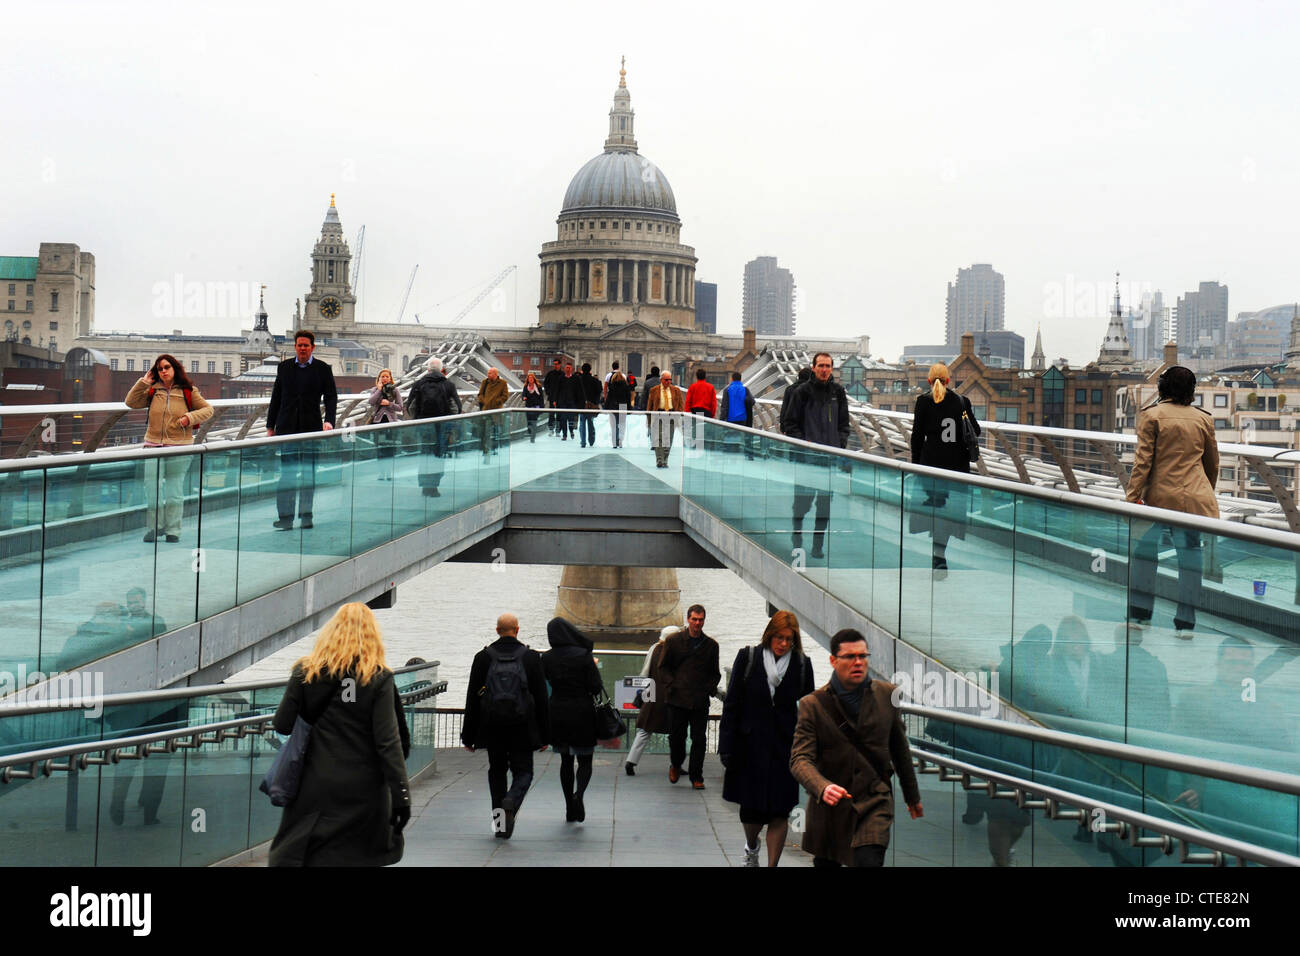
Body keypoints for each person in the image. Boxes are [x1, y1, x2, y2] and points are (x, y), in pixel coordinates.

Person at [267, 602, 411, 866]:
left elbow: (282, 724)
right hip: (364, 788)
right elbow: (388, 742)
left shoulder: (305, 672)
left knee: (312, 852)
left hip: (314, 783)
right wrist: (401, 796)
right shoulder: (378, 677)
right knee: (358, 855)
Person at [790, 628, 923, 867]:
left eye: (863, 656)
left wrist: (912, 795)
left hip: (874, 801)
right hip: (830, 807)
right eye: (850, 657)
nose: (858, 662)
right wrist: (822, 787)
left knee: (868, 860)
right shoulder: (812, 705)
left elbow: (900, 749)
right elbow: (799, 759)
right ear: (833, 660)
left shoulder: (887, 695)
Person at [1126, 365, 1219, 635]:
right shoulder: (1204, 419)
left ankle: (1140, 617)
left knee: (1145, 556)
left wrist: (1131, 500)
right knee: (1190, 562)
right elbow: (1212, 465)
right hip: (1196, 499)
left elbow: (1143, 463)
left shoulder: (1152, 416)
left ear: (1161, 388)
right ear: (1192, 391)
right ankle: (1186, 623)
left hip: (1159, 499)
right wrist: (1204, 492)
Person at [719, 610, 815, 867]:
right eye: (779, 638)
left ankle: (771, 865)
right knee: (750, 813)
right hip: (749, 748)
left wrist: (808, 753)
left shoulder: (802, 665)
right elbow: (732, 704)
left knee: (779, 812)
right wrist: (726, 746)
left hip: (785, 750)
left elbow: (810, 712)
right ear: (769, 635)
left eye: (789, 639)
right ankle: (752, 846)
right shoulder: (748, 658)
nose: (783, 644)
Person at [461, 612, 550, 839]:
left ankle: (500, 825)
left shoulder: (483, 657)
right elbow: (541, 699)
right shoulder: (530, 658)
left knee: (497, 773)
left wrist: (468, 735)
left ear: (497, 630)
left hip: (493, 727)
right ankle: (512, 799)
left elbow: (472, 698)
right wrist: (544, 735)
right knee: (524, 772)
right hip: (523, 726)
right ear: (517, 630)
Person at [125, 354, 213, 542]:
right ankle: (154, 528)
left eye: (167, 367)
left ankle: (173, 530)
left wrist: (188, 418)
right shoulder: (152, 391)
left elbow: (208, 410)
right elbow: (130, 402)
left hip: (179, 448)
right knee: (152, 490)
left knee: (174, 492)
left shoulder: (187, 391)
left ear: (175, 369)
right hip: (152, 446)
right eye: (159, 369)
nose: (163, 371)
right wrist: (143, 382)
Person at [910, 361, 979, 571]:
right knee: (950, 512)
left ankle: (937, 553)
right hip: (957, 466)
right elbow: (975, 430)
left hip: (931, 465)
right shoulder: (961, 401)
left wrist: (916, 464)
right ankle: (940, 553)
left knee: (935, 508)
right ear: (949, 381)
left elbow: (917, 437)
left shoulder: (923, 402)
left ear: (929, 381)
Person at [266, 331, 338, 531]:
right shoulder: (284, 367)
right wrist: (270, 426)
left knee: (308, 475)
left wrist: (329, 421)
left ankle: (306, 516)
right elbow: (276, 398)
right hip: (286, 428)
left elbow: (331, 397)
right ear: (295, 347)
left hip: (311, 429)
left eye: (306, 345)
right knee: (287, 475)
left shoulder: (323, 369)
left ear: (312, 347)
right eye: (299, 345)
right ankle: (286, 518)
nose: (303, 348)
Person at [784, 353, 849, 559]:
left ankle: (817, 546)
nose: (824, 369)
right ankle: (797, 539)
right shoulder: (802, 392)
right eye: (820, 365)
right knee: (801, 505)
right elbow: (789, 423)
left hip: (829, 460)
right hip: (806, 461)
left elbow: (844, 424)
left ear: (832, 369)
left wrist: (839, 445)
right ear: (813, 368)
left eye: (828, 366)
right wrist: (804, 444)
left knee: (824, 507)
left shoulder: (838, 392)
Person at [540, 617, 604, 822]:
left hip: (557, 711)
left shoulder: (547, 658)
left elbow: (544, 683)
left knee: (565, 760)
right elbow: (595, 687)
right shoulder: (584, 655)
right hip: (582, 712)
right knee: (585, 759)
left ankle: (569, 806)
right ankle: (579, 795)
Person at [659, 604, 720, 788]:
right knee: (676, 738)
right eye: (694, 619)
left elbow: (715, 673)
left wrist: (708, 688)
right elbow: (663, 667)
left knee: (699, 739)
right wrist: (671, 685)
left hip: (699, 701)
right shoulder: (673, 641)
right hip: (677, 699)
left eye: (700, 620)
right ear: (688, 619)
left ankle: (696, 776)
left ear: (704, 621)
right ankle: (676, 764)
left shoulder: (711, 646)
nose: (697, 623)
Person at [625, 625, 677, 775]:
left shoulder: (654, 648)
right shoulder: (674, 653)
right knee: (676, 732)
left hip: (652, 694)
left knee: (645, 730)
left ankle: (631, 761)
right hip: (670, 696)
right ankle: (675, 764)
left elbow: (646, 672)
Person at [406, 357, 462, 498]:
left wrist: (417, 420)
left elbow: (410, 406)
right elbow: (457, 407)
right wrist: (449, 424)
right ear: (442, 370)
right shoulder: (448, 385)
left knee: (425, 455)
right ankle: (434, 486)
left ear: (428, 370)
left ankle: (425, 486)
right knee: (438, 455)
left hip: (423, 425)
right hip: (441, 427)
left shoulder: (418, 384)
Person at [367, 368, 404, 481]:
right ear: (379, 379)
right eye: (382, 376)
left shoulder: (395, 390)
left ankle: (389, 473)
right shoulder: (374, 390)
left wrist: (389, 404)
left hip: (391, 423)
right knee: (380, 450)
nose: (384, 378)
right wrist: (379, 390)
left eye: (387, 376)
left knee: (390, 450)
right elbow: (371, 402)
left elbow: (400, 407)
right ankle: (381, 473)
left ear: (390, 378)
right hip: (378, 422)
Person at [646, 370, 685, 469]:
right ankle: (659, 459)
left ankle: (665, 460)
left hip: (671, 416)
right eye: (666, 380)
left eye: (670, 380)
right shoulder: (654, 390)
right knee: (658, 439)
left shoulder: (676, 390)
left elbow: (681, 405)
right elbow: (649, 406)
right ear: (661, 380)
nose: (669, 382)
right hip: (658, 415)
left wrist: (678, 415)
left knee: (668, 439)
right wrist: (649, 419)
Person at [718, 370, 756, 458]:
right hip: (743, 418)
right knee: (744, 436)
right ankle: (748, 454)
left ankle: (730, 454)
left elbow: (724, 406)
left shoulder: (727, 390)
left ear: (732, 379)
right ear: (740, 379)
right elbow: (752, 401)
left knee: (730, 437)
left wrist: (721, 419)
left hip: (731, 418)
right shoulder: (745, 389)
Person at [475, 367, 509, 459]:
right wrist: (484, 400)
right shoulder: (484, 382)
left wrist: (497, 401)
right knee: (485, 431)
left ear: (495, 374)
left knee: (495, 431)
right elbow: (480, 394)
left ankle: (493, 448)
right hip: (486, 410)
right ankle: (485, 450)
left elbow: (505, 396)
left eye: (490, 373)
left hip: (496, 411)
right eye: (488, 373)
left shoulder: (503, 383)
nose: (488, 375)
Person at [604, 368, 634, 448]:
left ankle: (614, 443)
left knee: (613, 426)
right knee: (622, 425)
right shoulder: (626, 387)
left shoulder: (611, 386)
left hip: (613, 406)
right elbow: (628, 399)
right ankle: (620, 441)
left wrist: (606, 407)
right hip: (623, 406)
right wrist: (629, 409)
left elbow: (609, 398)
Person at [555, 361, 585, 441]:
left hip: (572, 402)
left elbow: (580, 390)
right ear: (565, 369)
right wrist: (556, 400)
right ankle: (564, 435)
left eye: (569, 368)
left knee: (571, 419)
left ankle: (571, 431)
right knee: (563, 419)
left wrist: (580, 401)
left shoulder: (576, 378)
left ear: (572, 369)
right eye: (566, 368)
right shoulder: (561, 378)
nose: (568, 369)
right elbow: (557, 390)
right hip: (563, 402)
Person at [778, 367, 812, 435]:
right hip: (806, 429)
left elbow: (784, 409)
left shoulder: (790, 389)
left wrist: (783, 427)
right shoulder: (811, 390)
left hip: (791, 427)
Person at [578, 362, 602, 448]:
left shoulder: (578, 379)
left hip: (582, 405)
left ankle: (583, 442)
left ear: (582, 370)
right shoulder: (594, 380)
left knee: (582, 422)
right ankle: (591, 440)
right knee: (590, 422)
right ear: (590, 370)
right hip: (591, 405)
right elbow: (598, 392)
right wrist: (595, 402)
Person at [543, 357, 565, 435]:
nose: (555, 366)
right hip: (552, 396)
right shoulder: (550, 374)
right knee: (551, 413)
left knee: (559, 414)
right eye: (554, 364)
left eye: (556, 364)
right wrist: (548, 392)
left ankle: (558, 430)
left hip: (560, 398)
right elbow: (545, 384)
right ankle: (551, 428)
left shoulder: (563, 374)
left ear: (560, 365)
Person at [521, 371, 545, 442]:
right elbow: (523, 395)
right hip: (528, 407)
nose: (530, 380)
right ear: (527, 380)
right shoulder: (526, 387)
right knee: (529, 423)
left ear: (534, 379)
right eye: (529, 378)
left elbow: (541, 397)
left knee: (534, 422)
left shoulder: (538, 387)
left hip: (536, 407)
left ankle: (533, 438)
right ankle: (531, 432)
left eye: (531, 378)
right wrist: (524, 398)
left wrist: (541, 406)